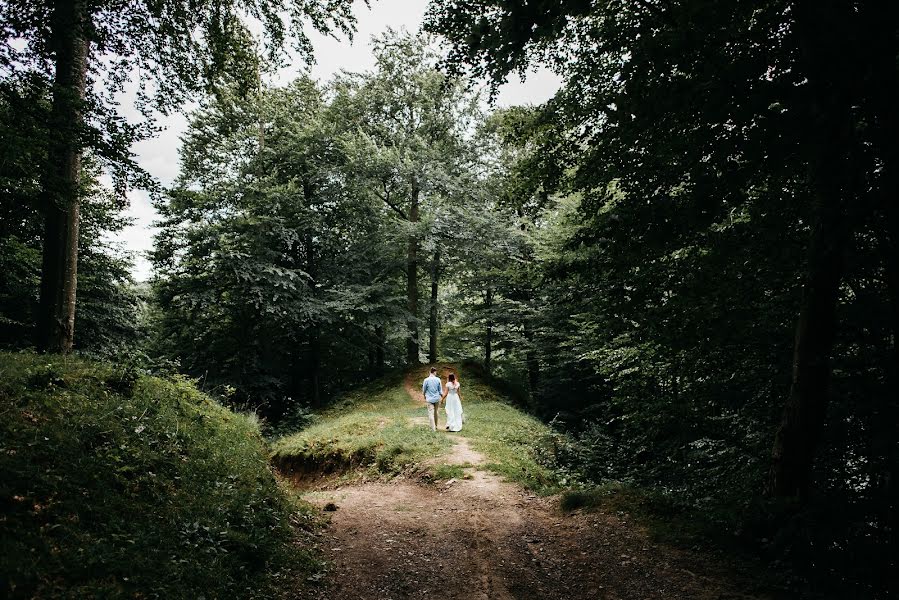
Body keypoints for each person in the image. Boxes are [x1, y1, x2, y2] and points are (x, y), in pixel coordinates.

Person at [421, 367, 443, 432]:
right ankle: (436, 426)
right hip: (437, 398)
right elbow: (440, 390)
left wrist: (424, 395)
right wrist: (442, 397)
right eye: (436, 372)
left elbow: (424, 389)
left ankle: (433, 429)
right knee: (436, 412)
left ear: (430, 372)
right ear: (434, 372)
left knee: (431, 413)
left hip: (429, 399)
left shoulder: (426, 380)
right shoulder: (438, 379)